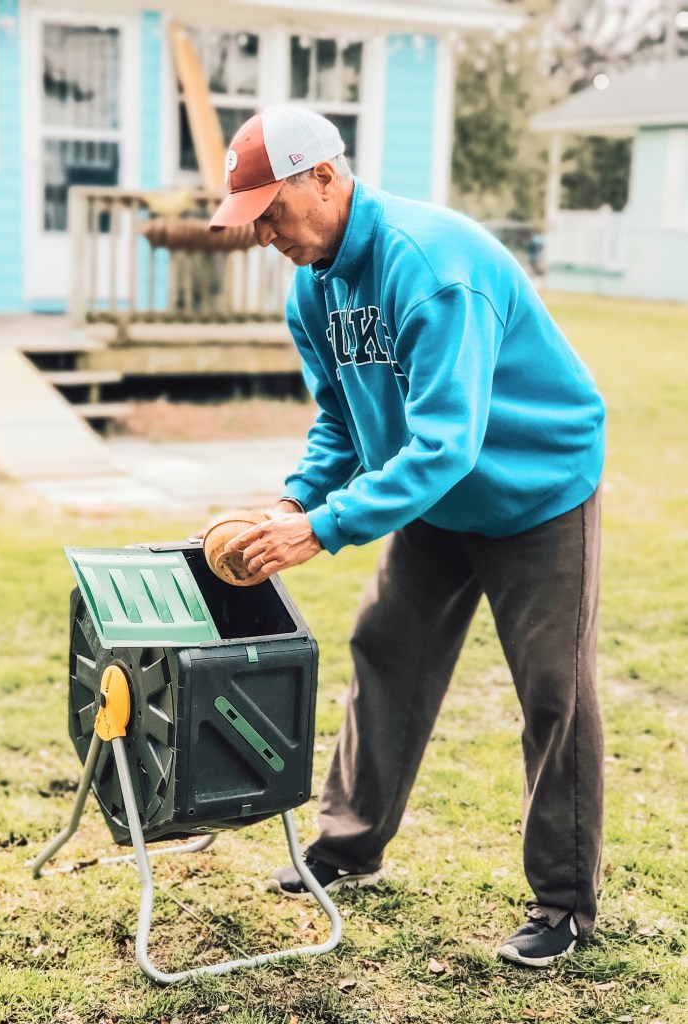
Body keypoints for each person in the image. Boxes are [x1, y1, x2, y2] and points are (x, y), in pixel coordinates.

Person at [206, 105, 605, 969]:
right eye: (253, 219)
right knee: (385, 647)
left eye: (272, 209)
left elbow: (446, 443)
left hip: (534, 492)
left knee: (551, 689)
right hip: (431, 499)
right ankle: (349, 849)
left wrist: (327, 527)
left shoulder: (430, 266)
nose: (265, 234)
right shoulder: (312, 285)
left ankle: (564, 904)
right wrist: (295, 500)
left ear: (325, 175)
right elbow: (341, 424)